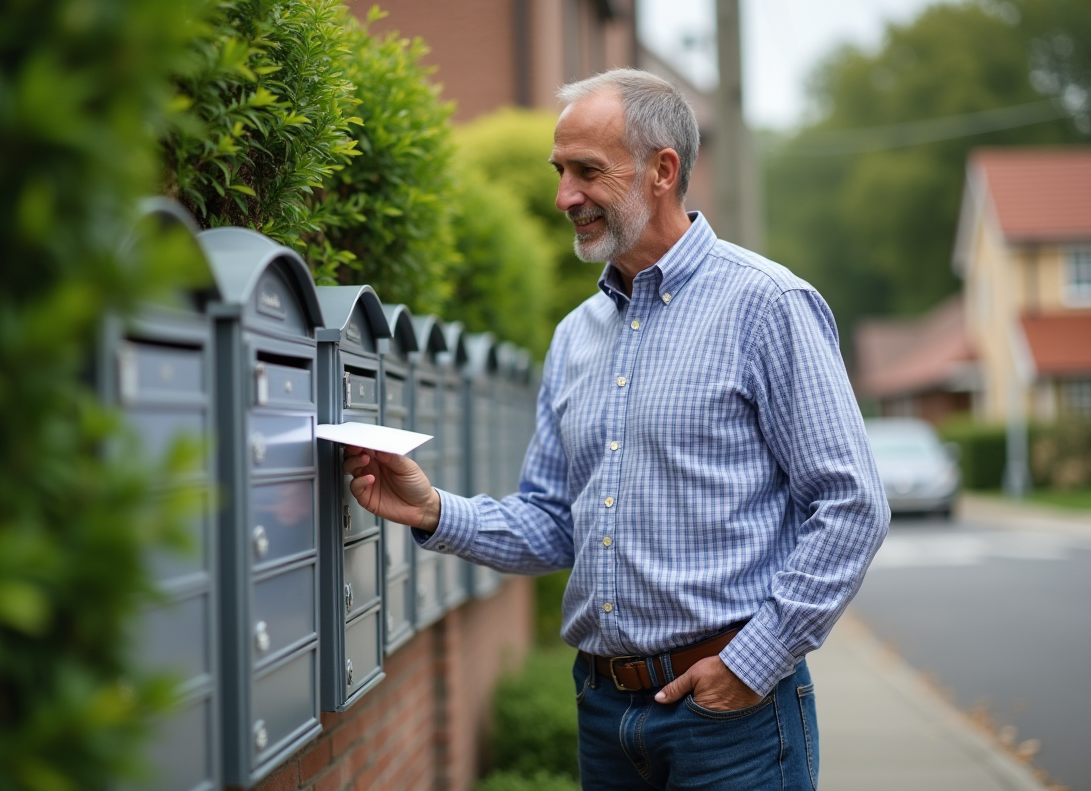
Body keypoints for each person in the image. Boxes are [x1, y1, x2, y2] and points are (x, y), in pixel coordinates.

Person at [344, 68, 889, 791]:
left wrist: (753, 663)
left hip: (733, 719)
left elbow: (852, 505)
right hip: (604, 715)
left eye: (587, 172)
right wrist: (433, 511)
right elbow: (550, 522)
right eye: (560, 171)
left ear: (663, 171)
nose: (565, 196)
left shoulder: (767, 306)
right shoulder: (575, 336)